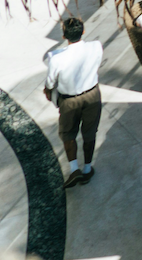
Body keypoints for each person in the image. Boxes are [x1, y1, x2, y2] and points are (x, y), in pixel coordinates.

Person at [44, 16, 103, 186]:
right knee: (90, 132)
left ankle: (74, 169)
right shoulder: (96, 47)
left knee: (68, 134)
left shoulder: (56, 58)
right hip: (92, 95)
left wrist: (48, 91)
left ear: (64, 36)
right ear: (83, 31)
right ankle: (87, 169)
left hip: (69, 101)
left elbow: (50, 83)